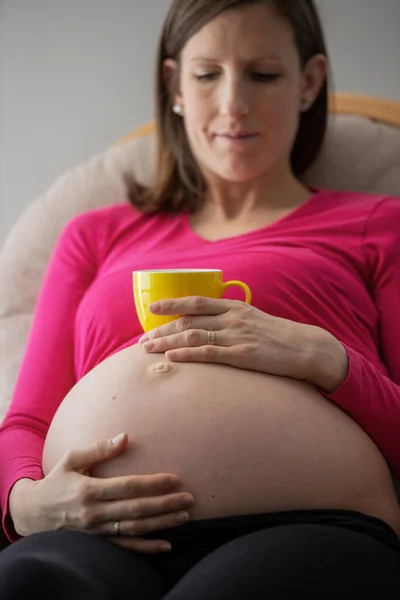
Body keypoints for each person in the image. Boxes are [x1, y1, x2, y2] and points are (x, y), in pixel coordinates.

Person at [1, 0, 400, 597]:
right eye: (208, 73)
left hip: (305, 523)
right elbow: (27, 420)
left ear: (309, 82)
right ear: (174, 85)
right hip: (95, 533)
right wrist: (26, 506)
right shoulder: (95, 234)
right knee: (28, 580)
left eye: (263, 74)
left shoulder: (380, 225)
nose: (233, 104)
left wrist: (324, 357)